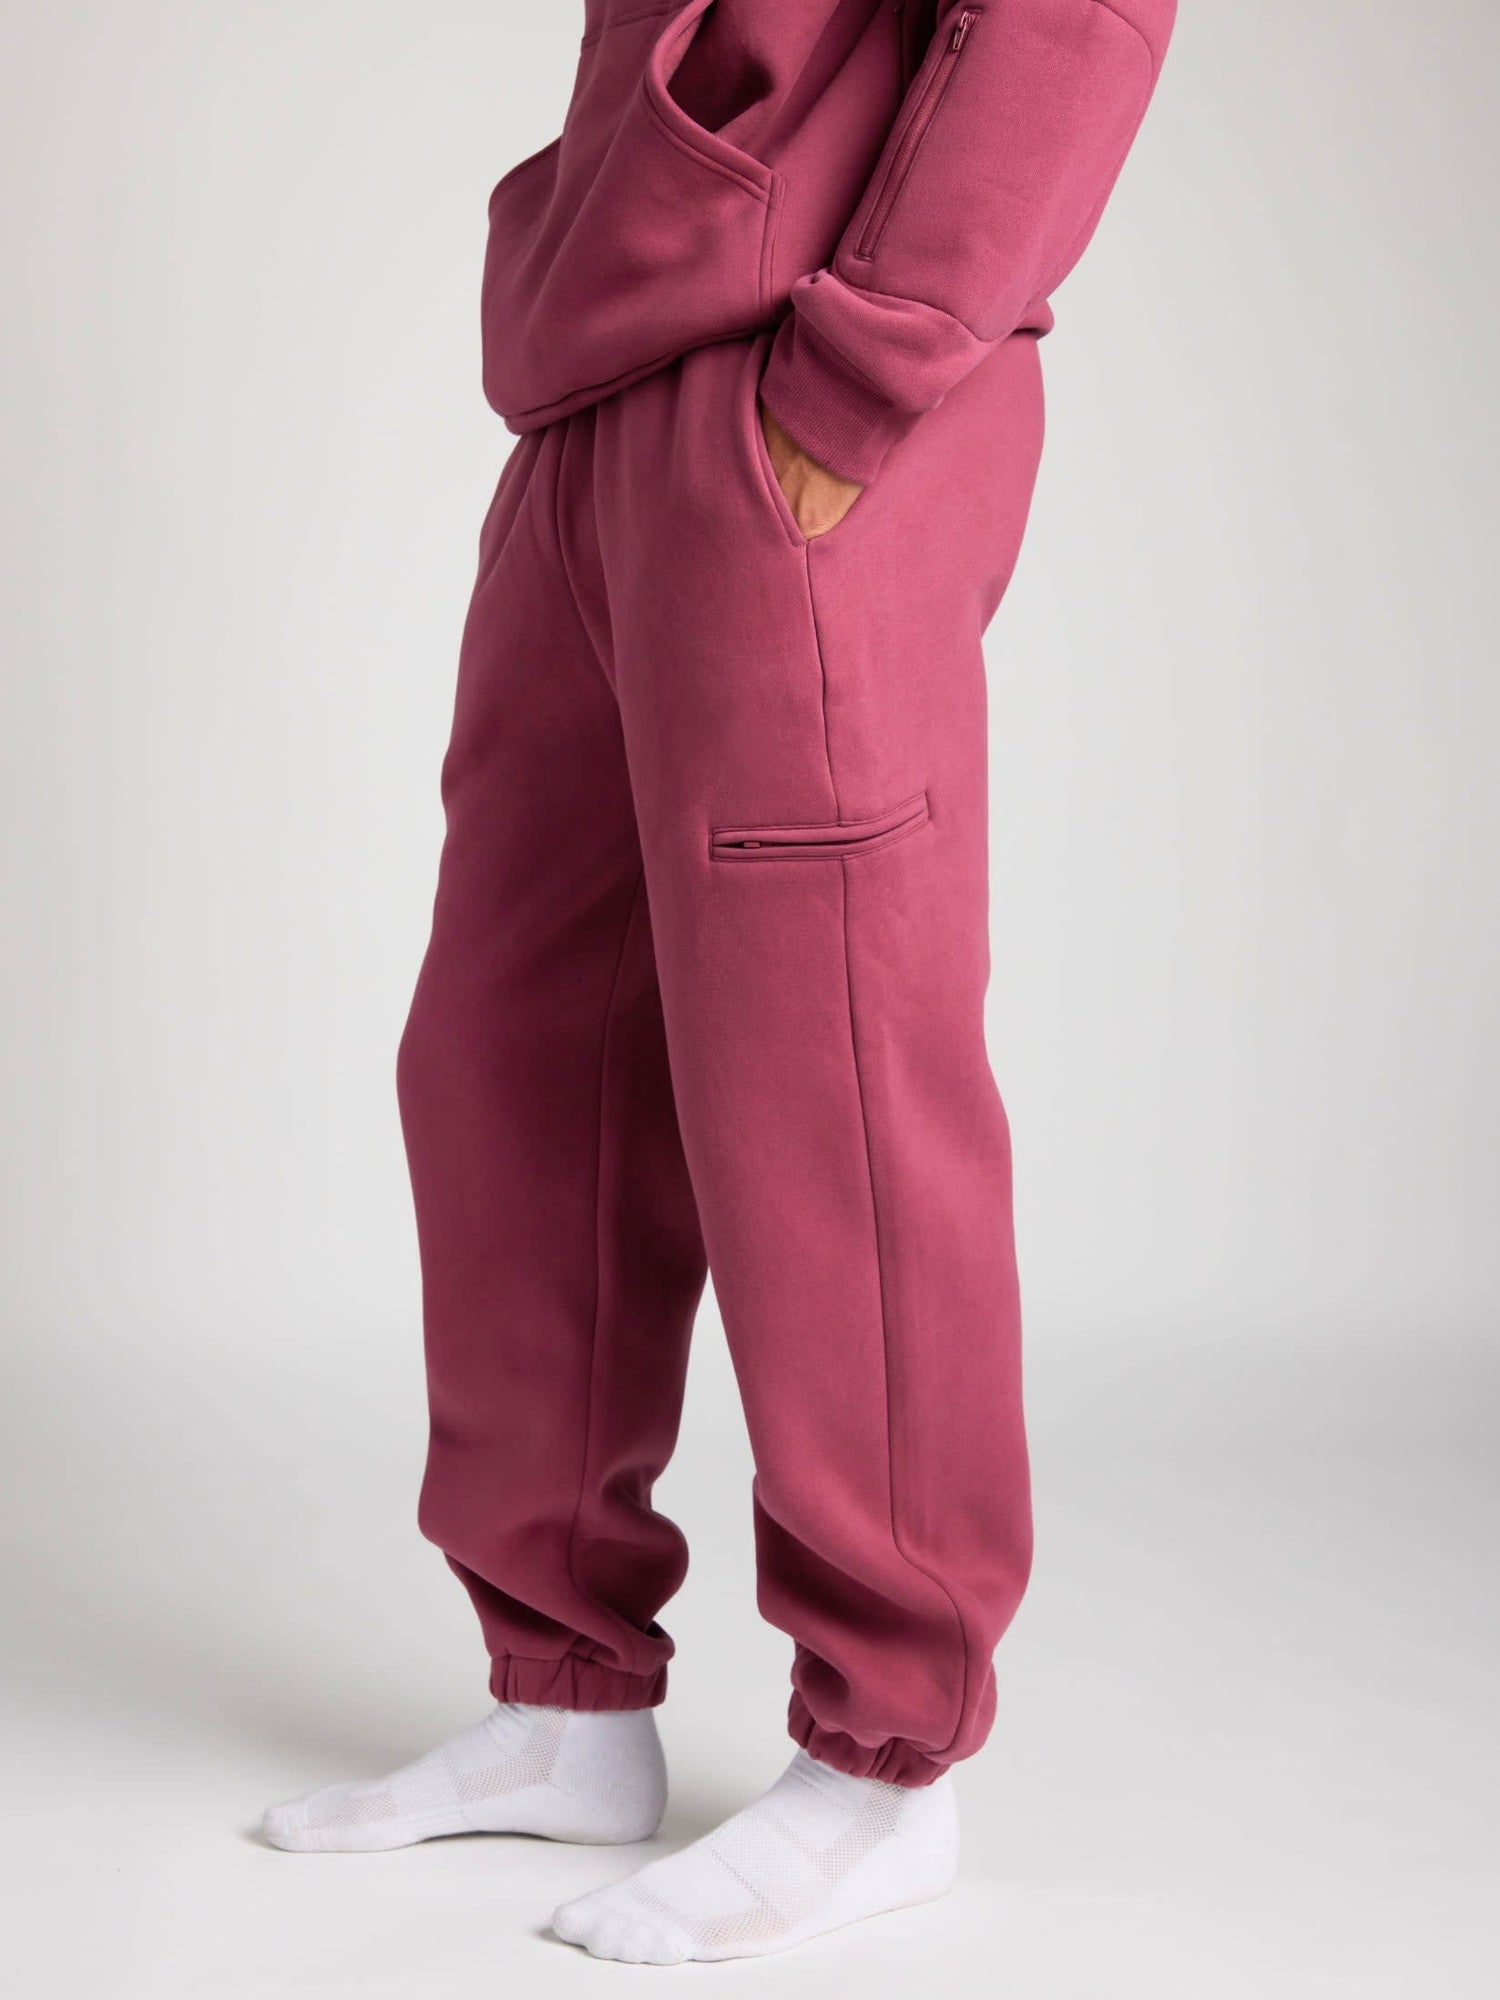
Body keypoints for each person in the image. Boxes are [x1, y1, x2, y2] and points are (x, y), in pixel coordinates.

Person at [263, 0, 1176, 1965]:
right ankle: (561, 1695)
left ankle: (883, 1759)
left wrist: (866, 367)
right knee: (511, 1057)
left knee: (821, 1076)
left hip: (802, 385)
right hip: (599, 389)